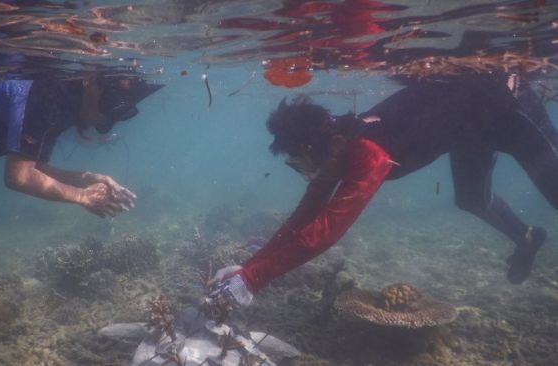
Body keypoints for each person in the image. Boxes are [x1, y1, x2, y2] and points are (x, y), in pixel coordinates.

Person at [207, 73, 557, 309]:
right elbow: (303, 218)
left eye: (297, 162)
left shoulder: (368, 155)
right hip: (468, 127)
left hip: (505, 108)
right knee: (470, 200)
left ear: (318, 149)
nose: (301, 172)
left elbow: (323, 234)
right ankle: (526, 237)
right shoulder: (335, 150)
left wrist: (254, 280)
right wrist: (247, 269)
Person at [0, 75, 162, 218]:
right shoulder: (46, 93)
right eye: (111, 104)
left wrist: (84, 179)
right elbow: (18, 177)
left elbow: (32, 165)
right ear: (90, 81)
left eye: (121, 114)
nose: (104, 121)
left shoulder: (65, 106)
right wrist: (81, 196)